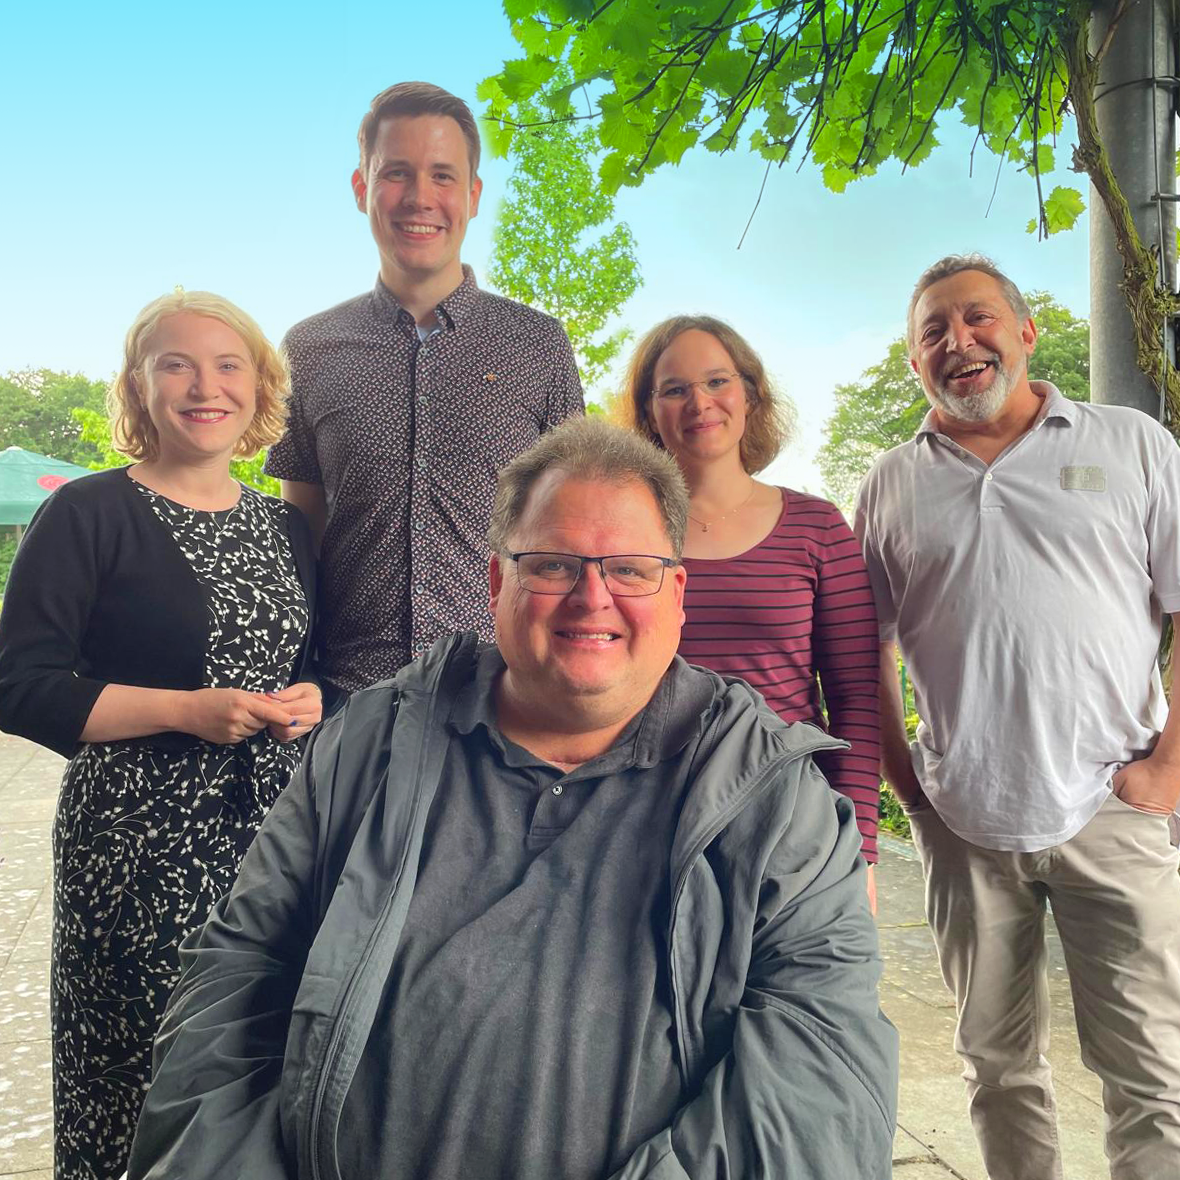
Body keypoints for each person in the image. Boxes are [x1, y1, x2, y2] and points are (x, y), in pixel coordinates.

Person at [128, 416, 898, 1180]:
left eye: (630, 568)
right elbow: (235, 976)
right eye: (554, 565)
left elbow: (821, 1084)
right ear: (498, 582)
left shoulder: (775, 799)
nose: (592, 599)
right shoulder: (366, 745)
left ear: (677, 592)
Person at [854, 253, 1180, 1179]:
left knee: (1152, 1073)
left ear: (1026, 331)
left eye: (978, 318)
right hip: (963, 819)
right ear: (915, 362)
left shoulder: (1133, 446)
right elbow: (865, 645)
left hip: (1114, 806)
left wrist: (1168, 769)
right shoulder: (889, 484)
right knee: (997, 1068)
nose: (959, 341)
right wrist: (906, 786)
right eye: (933, 333)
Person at [0, 291, 322, 1180]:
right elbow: (21, 686)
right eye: (175, 363)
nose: (203, 386)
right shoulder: (87, 514)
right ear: (138, 387)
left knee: (257, 1073)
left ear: (259, 390)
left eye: (228, 366)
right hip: (137, 851)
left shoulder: (287, 527)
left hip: (274, 847)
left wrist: (313, 698)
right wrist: (186, 709)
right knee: (141, 1072)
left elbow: (320, 663)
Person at [264, 81, 583, 703]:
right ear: (362, 189)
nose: (419, 198)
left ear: (473, 194)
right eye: (396, 173)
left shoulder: (538, 345)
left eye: (442, 175)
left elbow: (570, 528)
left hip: (504, 697)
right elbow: (300, 528)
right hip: (348, 703)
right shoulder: (308, 348)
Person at [624, 315, 882, 904]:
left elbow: (857, 701)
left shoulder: (818, 528)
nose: (700, 403)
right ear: (649, 412)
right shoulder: (622, 533)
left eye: (717, 381)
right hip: (640, 814)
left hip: (790, 818)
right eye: (674, 388)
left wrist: (860, 846)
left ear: (750, 394)